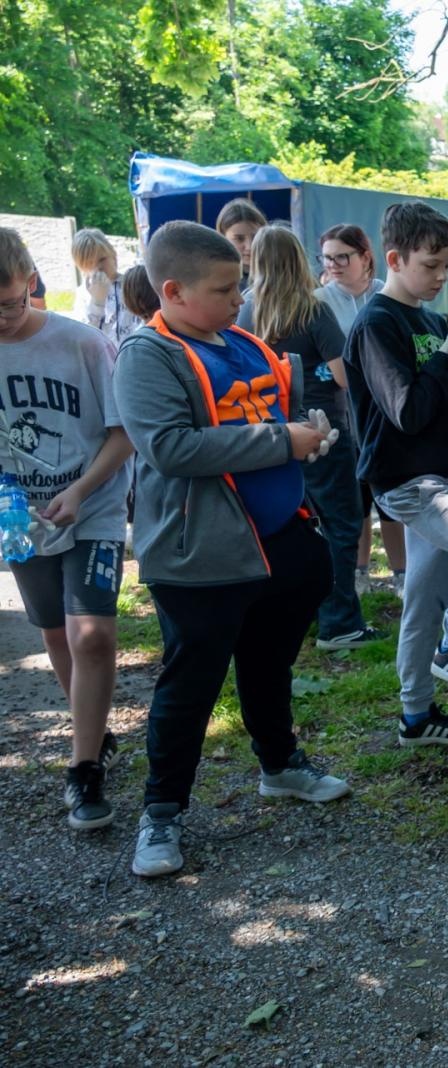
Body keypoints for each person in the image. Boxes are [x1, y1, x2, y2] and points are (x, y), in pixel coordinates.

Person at [113, 221, 349, 878]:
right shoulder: (146, 356)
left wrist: (313, 431)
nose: (239, 298)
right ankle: (161, 813)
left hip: (280, 541)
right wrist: (284, 441)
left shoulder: (243, 341)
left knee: (270, 663)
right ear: (173, 292)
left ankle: (280, 766)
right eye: (223, 289)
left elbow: (280, 417)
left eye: (239, 283)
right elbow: (171, 449)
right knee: (190, 686)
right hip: (200, 557)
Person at [0, 228, 133, 831]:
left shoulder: (80, 344)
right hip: (20, 520)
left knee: (91, 636)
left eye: (8, 303)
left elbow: (123, 431)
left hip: (94, 506)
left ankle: (83, 771)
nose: (1, 318)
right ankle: (94, 733)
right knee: (56, 636)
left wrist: (80, 492)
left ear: (31, 281)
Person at [344, 202, 448, 747]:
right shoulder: (377, 323)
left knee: (425, 596)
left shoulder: (431, 322)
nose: (441, 277)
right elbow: (405, 411)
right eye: (431, 265)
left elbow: (446, 404)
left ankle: (415, 716)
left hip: (439, 476)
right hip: (406, 481)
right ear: (395, 258)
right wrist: (443, 362)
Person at [238, 225, 378, 651]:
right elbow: (342, 374)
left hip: (267, 433)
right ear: (299, 259)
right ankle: (340, 622)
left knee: (286, 525)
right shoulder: (311, 309)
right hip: (323, 431)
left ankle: (297, 612)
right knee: (340, 523)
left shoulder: (245, 309)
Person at [313, 224, 406, 597]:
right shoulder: (319, 300)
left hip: (386, 412)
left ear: (365, 257)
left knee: (392, 497)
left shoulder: (387, 294)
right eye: (327, 258)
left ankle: (401, 574)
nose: (334, 264)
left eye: (342, 257)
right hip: (342, 413)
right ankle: (359, 572)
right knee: (356, 499)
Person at [70, 228, 143, 348]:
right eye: (89, 264)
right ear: (82, 269)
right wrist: (97, 302)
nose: (98, 267)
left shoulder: (132, 284)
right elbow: (85, 337)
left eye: (102, 259)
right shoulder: (84, 295)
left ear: (113, 255)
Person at [215, 199, 268, 293]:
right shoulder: (215, 280)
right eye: (239, 239)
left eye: (256, 236)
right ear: (223, 239)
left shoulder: (278, 273)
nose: (249, 246)